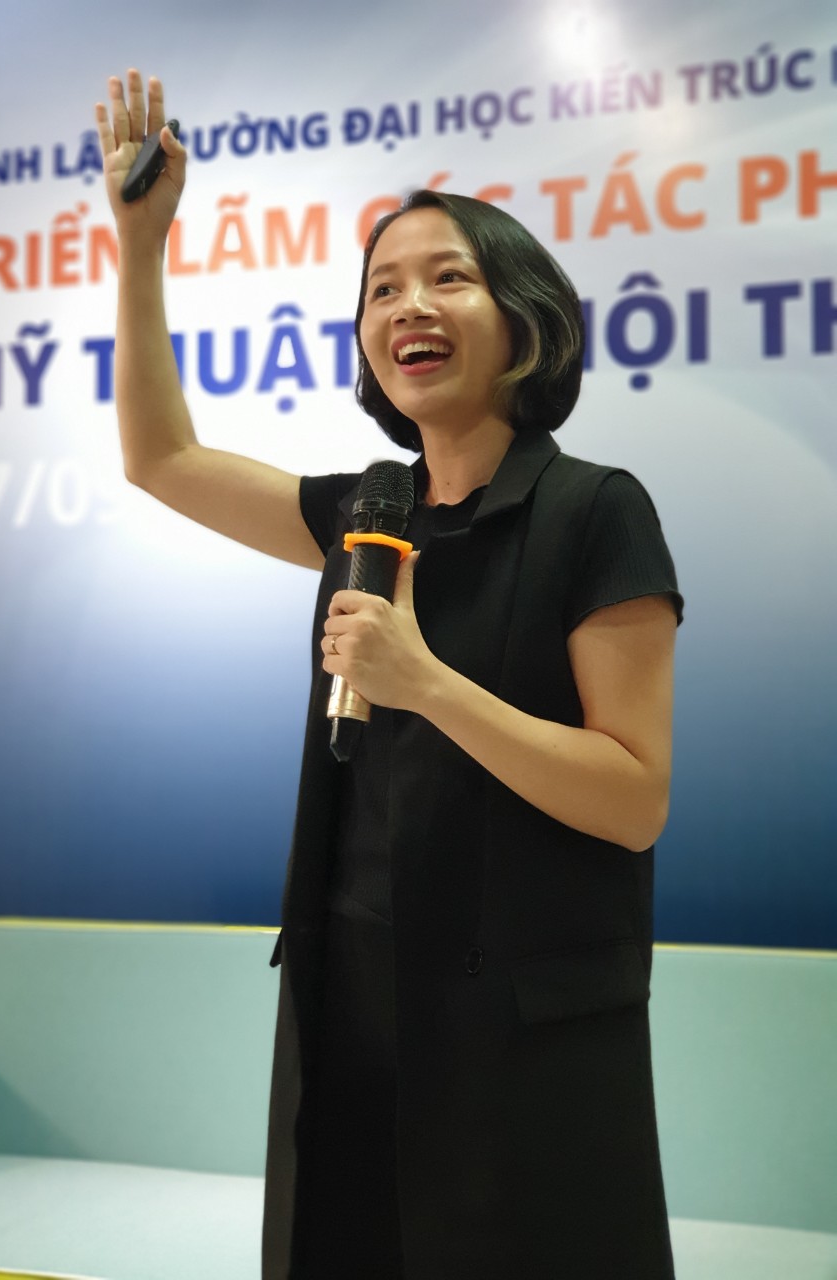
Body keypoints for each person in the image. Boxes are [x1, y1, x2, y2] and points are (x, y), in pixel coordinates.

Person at [97, 70, 682, 1280]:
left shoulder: (596, 511)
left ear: (523, 316)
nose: (409, 303)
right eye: (382, 288)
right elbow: (162, 457)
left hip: (524, 1031)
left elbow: (633, 796)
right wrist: (141, 242)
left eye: (448, 277)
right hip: (357, 998)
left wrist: (426, 683)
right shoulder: (368, 509)